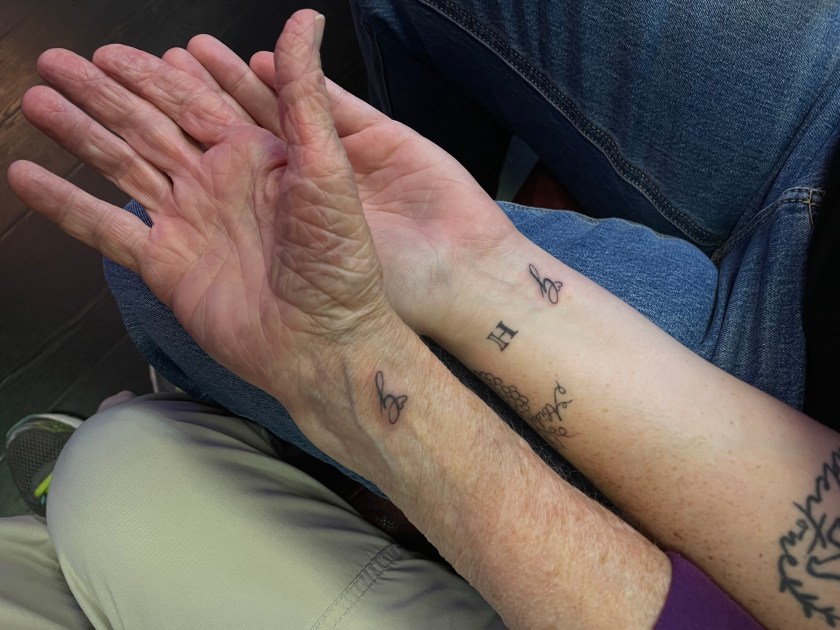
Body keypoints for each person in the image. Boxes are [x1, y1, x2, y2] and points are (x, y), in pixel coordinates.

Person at [4, 5, 836, 628]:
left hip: (773, 406)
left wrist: (357, 376)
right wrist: (478, 273)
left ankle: (304, 451)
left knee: (168, 270)